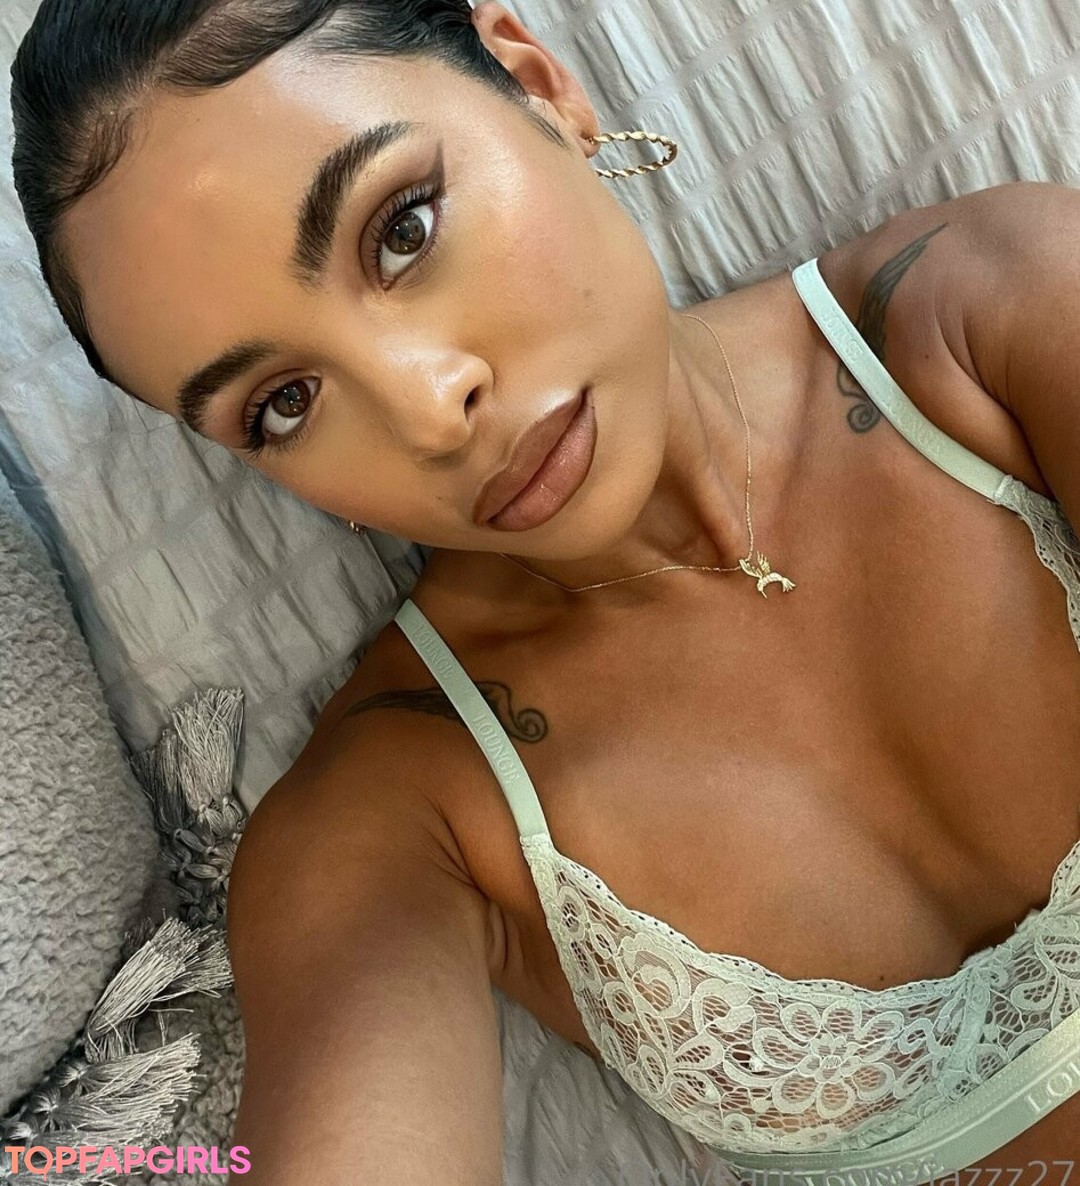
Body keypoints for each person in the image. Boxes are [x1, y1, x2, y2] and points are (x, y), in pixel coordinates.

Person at [9, 0, 1080, 1180]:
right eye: (285, 404)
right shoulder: (396, 815)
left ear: (539, 86)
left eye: (403, 229)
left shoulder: (988, 312)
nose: (430, 410)